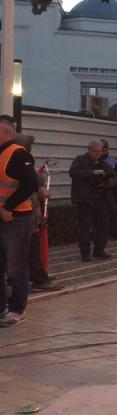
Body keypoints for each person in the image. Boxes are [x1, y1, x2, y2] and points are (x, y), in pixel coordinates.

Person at [0, 118, 40, 326]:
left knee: (16, 267)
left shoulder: (17, 154)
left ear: (8, 134)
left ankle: (17, 309)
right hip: (3, 218)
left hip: (15, 219)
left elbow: (31, 183)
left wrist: (9, 207)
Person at [15, 134, 60, 292]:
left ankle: (36, 276)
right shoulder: (21, 162)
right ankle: (38, 279)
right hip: (24, 213)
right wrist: (41, 191)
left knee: (29, 248)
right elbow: (29, 186)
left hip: (25, 212)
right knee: (31, 248)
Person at [69, 139, 115, 261]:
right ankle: (85, 253)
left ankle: (99, 250)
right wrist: (92, 173)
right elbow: (73, 173)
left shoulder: (103, 163)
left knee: (103, 224)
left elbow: (114, 177)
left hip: (99, 198)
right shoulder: (80, 160)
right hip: (84, 198)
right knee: (85, 226)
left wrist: (106, 182)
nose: (98, 154)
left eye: (100, 151)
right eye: (95, 151)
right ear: (89, 150)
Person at [99, 139, 117, 240]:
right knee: (99, 213)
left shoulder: (114, 160)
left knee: (114, 212)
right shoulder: (93, 160)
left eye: (105, 148)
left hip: (111, 191)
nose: (103, 150)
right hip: (97, 191)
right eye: (101, 148)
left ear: (108, 148)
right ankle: (101, 235)